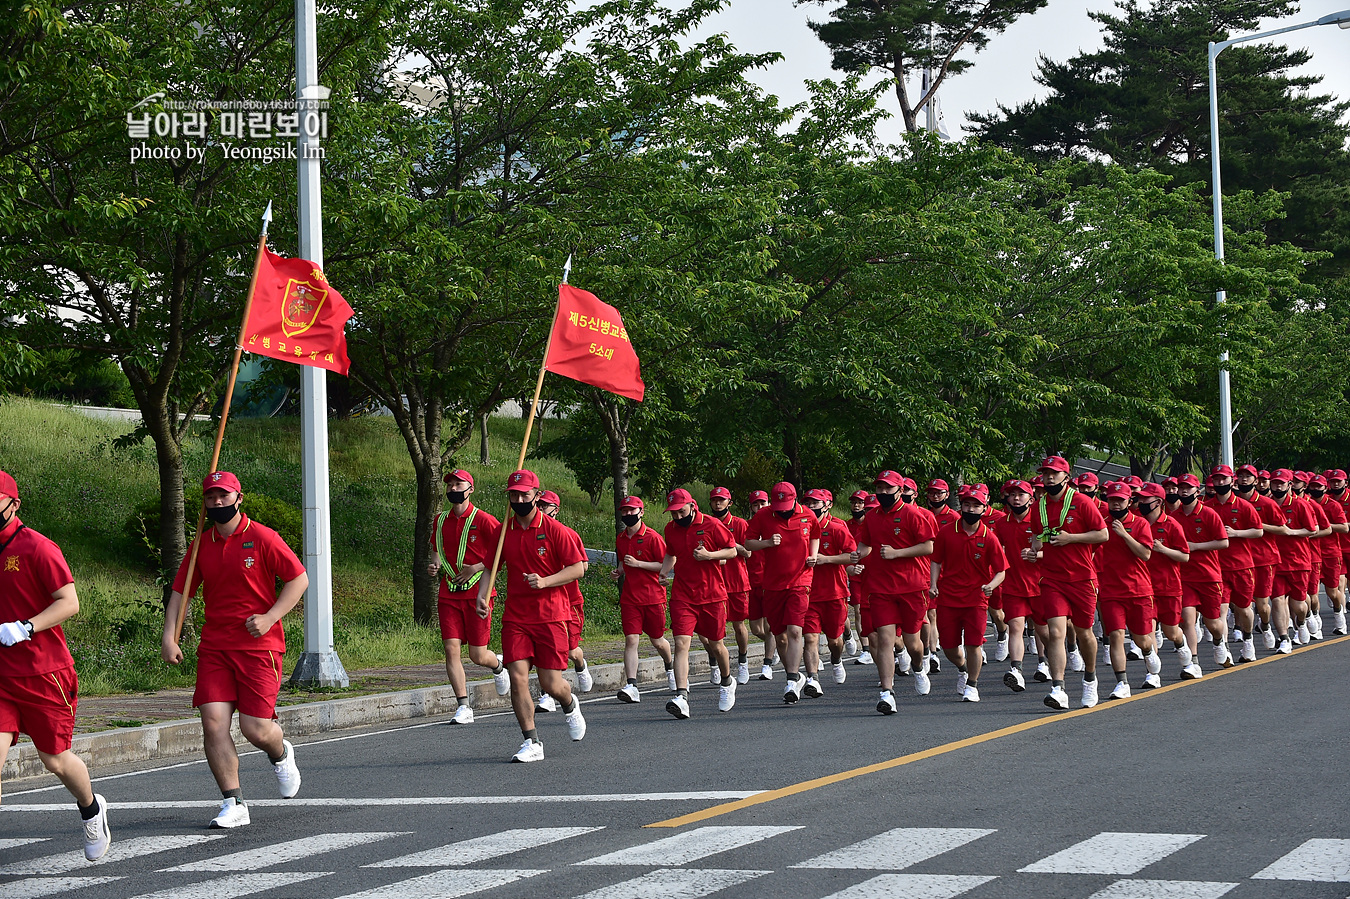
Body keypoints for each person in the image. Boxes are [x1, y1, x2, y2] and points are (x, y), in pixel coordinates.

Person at [162, 471, 307, 827]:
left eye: (224, 496)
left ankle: (280, 751)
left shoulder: (262, 537)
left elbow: (298, 578)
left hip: (259, 647)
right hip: (215, 648)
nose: (217, 503)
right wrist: (169, 636)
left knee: (256, 729)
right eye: (210, 498)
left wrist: (270, 617)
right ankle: (234, 802)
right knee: (213, 723)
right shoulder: (201, 546)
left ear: (239, 498)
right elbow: (181, 592)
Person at [0, 470, 110, 859]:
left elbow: (69, 602)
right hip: (1, 677)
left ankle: (91, 809)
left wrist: (25, 627)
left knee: (55, 759)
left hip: (44, 673)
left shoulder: (37, 548)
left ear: (14, 505)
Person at [476, 470, 587, 762]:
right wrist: (483, 595)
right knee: (518, 677)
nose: (519, 499)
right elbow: (490, 567)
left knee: (551, 684)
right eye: (514, 495)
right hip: (516, 617)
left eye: (525, 494)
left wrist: (546, 581)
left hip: (551, 615)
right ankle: (532, 742)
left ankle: (569, 702)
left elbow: (578, 568)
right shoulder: (503, 532)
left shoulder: (554, 530)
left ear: (537, 496)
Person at [427, 469, 509, 725]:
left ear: (470, 488)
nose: (453, 488)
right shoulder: (440, 520)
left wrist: (475, 567)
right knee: (451, 649)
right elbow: (435, 549)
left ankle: (497, 665)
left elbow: (500, 556)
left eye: (458, 484)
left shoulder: (484, 520)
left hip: (478, 592)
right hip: (448, 592)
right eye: (450, 484)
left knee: (477, 655)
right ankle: (463, 705)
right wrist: (435, 564)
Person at [852, 470, 937, 714]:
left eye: (888, 489)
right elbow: (866, 543)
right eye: (879, 489)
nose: (883, 493)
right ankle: (887, 693)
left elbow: (929, 546)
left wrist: (897, 553)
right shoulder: (872, 517)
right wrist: (859, 553)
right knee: (885, 640)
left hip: (912, 586)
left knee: (913, 642)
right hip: (881, 587)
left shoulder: (913, 514)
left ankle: (919, 668)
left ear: (900, 491)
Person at [1027, 456, 1108, 711]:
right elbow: (1038, 538)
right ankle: (1058, 688)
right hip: (1052, 578)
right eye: (1045, 474)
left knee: (1084, 633)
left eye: (1054, 473)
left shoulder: (1081, 501)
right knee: (1056, 634)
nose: (1048, 478)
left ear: (1066, 476)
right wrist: (1034, 550)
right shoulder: (1039, 505)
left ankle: (1090, 679)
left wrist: (1071, 538)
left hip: (1082, 578)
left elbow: (1102, 534)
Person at [660, 488, 738, 717]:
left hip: (712, 595)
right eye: (673, 513)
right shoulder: (670, 529)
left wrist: (710, 556)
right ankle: (681, 696)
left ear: (692, 506)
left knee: (716, 645)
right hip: (683, 595)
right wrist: (664, 571)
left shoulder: (712, 524)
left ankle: (726, 681)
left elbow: (732, 551)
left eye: (681, 511)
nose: (677, 517)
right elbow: (670, 553)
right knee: (682, 643)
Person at [928, 485, 1008, 703]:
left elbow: (1001, 570)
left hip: (976, 599)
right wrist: (933, 583)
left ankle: (972, 684)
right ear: (961, 506)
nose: (970, 509)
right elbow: (936, 560)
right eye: (967, 505)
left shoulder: (989, 537)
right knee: (949, 647)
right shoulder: (946, 532)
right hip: (948, 597)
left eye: (976, 506)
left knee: (974, 644)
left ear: (984, 509)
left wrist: (991, 584)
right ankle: (962, 668)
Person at [745, 482, 822, 703]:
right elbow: (748, 543)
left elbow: (815, 535)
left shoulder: (807, 515)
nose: (782, 510)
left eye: (786, 505)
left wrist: (813, 555)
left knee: (795, 631)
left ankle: (791, 680)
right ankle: (794, 675)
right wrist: (767, 543)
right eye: (778, 506)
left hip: (800, 580)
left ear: (795, 499)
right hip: (773, 584)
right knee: (780, 636)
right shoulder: (763, 516)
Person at [1095, 482, 1161, 697]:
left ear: (1129, 502)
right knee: (1115, 635)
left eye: (1120, 500)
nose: (1115, 504)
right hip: (1111, 591)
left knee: (1142, 639)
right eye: (1112, 500)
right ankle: (1122, 682)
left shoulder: (1140, 523)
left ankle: (1149, 655)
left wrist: (1124, 534)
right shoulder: (1102, 524)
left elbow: (1145, 554)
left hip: (1139, 590)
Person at [532, 490, 592, 713]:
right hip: (546, 604)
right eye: (539, 504)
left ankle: (580, 664)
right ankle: (546, 694)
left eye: (545, 505)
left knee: (569, 650)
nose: (540, 508)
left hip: (570, 601)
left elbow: (582, 566)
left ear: (555, 510)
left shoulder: (567, 534)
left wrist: (557, 571)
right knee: (546, 649)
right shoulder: (531, 533)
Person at [612, 497, 675, 702]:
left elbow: (665, 565)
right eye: (625, 511)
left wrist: (639, 564)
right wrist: (619, 571)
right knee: (631, 639)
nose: (628, 515)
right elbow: (623, 560)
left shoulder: (653, 537)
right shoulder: (621, 538)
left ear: (641, 512)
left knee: (657, 640)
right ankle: (632, 685)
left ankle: (670, 667)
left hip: (653, 597)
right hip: (630, 597)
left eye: (632, 511)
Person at [1206, 465, 1264, 663]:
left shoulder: (1243, 505)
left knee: (1243, 608)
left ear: (1232, 481)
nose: (1220, 483)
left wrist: (1236, 533)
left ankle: (1248, 640)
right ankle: (1222, 645)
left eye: (1224, 479)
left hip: (1242, 565)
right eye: (1217, 479)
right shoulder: (1207, 507)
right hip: (1216, 568)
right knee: (1220, 610)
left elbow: (1258, 531)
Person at [802, 489, 856, 692]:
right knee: (810, 638)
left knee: (834, 640)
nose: (811, 507)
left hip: (835, 592)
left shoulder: (836, 529)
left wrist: (827, 560)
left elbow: (852, 555)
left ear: (826, 506)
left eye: (815, 503)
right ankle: (812, 679)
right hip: (807, 593)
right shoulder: (800, 530)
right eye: (807, 503)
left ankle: (836, 660)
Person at [992, 480, 1041, 691]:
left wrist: (1037, 555)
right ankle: (1016, 670)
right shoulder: (1002, 523)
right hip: (1013, 584)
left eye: (1021, 494)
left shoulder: (1041, 521)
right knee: (1015, 627)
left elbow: (1057, 549)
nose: (1016, 498)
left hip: (1041, 584)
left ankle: (1044, 663)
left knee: (1043, 629)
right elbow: (995, 551)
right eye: (1012, 494)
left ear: (1031, 498)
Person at [1236, 464, 1285, 647]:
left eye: (1248, 477)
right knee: (1241, 604)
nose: (1244, 479)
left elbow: (1282, 529)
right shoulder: (1232, 503)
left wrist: (1257, 527)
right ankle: (1244, 637)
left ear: (1256, 481)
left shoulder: (1267, 504)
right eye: (1240, 476)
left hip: (1263, 559)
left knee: (1263, 605)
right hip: (1239, 561)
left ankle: (1265, 625)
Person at [708, 487, 753, 684]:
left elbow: (749, 552)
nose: (718, 503)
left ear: (729, 503)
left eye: (722, 500)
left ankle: (743, 662)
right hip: (712, 582)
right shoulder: (706, 524)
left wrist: (733, 547)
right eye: (715, 500)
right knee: (710, 630)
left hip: (736, 581)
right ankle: (715, 665)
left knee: (738, 624)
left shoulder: (740, 524)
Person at [744, 490, 778, 679]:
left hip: (771, 581)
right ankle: (782, 645)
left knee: (771, 625)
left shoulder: (774, 525)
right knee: (757, 629)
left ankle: (767, 664)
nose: (759, 508)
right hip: (751, 582)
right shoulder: (748, 527)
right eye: (755, 505)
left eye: (762, 504)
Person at [844, 490, 871, 661]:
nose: (856, 506)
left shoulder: (872, 523)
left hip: (873, 572)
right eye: (854, 502)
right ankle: (866, 649)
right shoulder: (847, 525)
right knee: (859, 610)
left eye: (860, 503)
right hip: (855, 572)